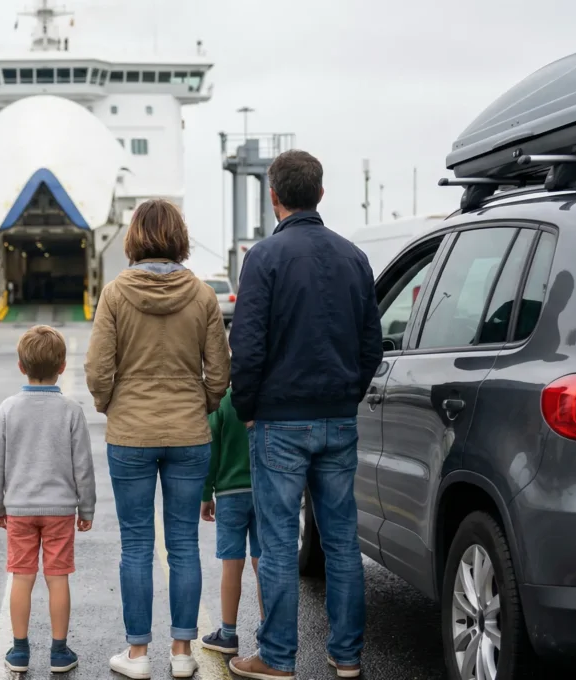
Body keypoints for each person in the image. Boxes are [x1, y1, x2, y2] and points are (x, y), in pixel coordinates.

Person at [227, 150, 382, 680]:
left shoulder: (264, 258)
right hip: (337, 418)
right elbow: (371, 346)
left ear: (274, 197)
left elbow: (246, 348)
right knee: (342, 542)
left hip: (278, 421)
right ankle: (346, 656)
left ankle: (276, 658)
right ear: (320, 193)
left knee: (276, 543)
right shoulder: (353, 257)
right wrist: (346, 396)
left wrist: (247, 408)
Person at [84, 199, 230, 680]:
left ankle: (139, 654)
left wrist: (112, 406)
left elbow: (98, 368)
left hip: (131, 434)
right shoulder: (204, 295)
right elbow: (220, 371)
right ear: (179, 237)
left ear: (135, 238)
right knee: (185, 544)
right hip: (189, 433)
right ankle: (184, 652)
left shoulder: (115, 293)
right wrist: (201, 405)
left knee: (137, 545)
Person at [0, 325, 96, 675]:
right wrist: (87, 506)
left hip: (19, 509)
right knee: (58, 577)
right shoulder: (71, 410)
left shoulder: (7, 408)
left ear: (21, 366)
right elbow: (83, 465)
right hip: (60, 510)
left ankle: (19, 650)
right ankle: (59, 651)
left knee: (22, 576)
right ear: (63, 366)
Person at [198, 386, 263, 656]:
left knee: (232, 564)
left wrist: (206, 493)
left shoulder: (224, 397)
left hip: (229, 491)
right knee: (264, 561)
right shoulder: (269, 392)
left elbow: (211, 447)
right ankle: (267, 630)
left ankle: (227, 634)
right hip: (265, 490)